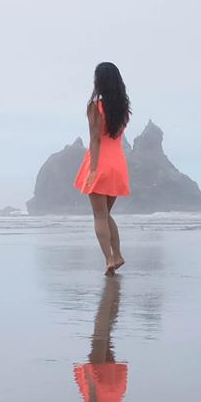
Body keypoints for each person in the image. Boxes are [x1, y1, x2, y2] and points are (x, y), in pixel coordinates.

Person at [73, 61, 131, 274]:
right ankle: (118, 254)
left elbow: (95, 139)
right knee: (106, 214)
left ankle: (109, 259)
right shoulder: (123, 107)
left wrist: (93, 170)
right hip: (118, 164)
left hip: (101, 162)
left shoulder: (95, 106)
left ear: (99, 81)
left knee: (99, 216)